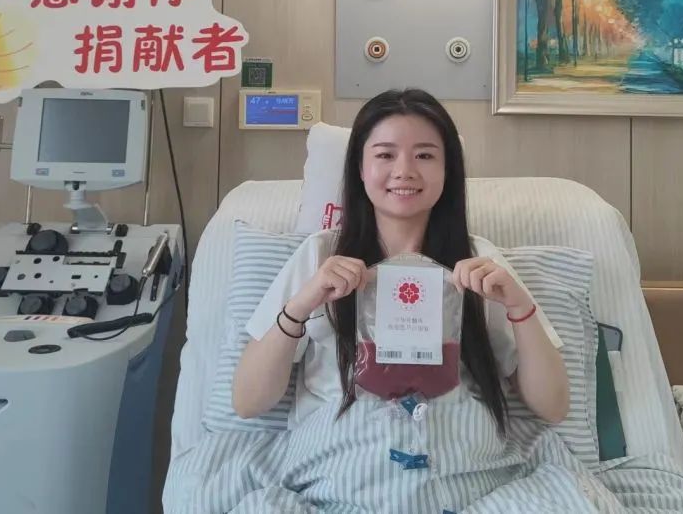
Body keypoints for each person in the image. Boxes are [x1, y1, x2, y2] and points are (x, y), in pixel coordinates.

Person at [232, 88, 569, 434]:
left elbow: (554, 406)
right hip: (342, 450)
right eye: (385, 155)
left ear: (448, 170)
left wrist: (518, 306)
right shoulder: (320, 255)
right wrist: (302, 305)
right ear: (360, 168)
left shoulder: (480, 262)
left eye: (424, 155)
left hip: (453, 449)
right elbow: (247, 402)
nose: (404, 170)